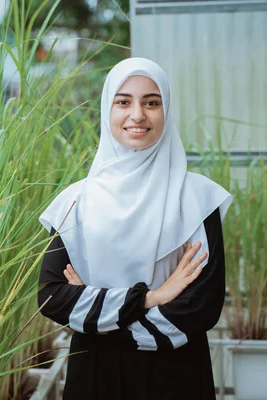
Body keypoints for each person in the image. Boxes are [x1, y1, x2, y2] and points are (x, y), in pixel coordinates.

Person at [37, 58, 232, 399]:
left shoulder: (197, 199)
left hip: (175, 377)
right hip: (96, 379)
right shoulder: (75, 202)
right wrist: (151, 298)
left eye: (151, 102)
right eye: (123, 101)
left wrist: (99, 318)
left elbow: (203, 304)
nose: (138, 115)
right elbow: (52, 298)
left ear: (166, 110)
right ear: (107, 110)